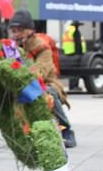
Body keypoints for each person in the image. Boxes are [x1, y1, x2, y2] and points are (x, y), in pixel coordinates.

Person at [9, 8, 76, 148]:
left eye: (19, 30)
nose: (16, 34)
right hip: (21, 83)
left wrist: (23, 78)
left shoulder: (42, 47)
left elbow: (41, 70)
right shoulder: (11, 48)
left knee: (48, 93)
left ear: (29, 30)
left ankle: (67, 130)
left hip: (45, 83)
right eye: (13, 30)